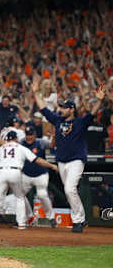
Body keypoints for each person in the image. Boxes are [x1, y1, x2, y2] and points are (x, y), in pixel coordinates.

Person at [32, 76, 105, 233]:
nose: (61, 109)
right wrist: (36, 92)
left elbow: (92, 114)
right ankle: (82, 219)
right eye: (61, 107)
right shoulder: (58, 121)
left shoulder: (80, 122)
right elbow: (43, 108)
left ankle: (78, 221)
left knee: (70, 189)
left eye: (64, 107)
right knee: (69, 190)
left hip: (76, 160)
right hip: (62, 161)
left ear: (72, 109)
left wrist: (98, 101)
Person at [0, 131, 58, 229]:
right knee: (20, 197)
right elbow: (37, 160)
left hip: (1, 172)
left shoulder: (1, 148)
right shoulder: (21, 148)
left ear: (7, 139)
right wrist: (51, 165)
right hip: (15, 172)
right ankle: (21, 223)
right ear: (16, 139)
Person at [20, 125, 56, 228]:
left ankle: (51, 217)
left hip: (41, 174)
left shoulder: (40, 142)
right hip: (26, 174)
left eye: (31, 135)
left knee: (42, 195)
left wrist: (54, 137)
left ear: (35, 135)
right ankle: (30, 217)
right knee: (20, 195)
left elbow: (52, 146)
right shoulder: (21, 143)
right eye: (27, 135)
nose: (29, 137)